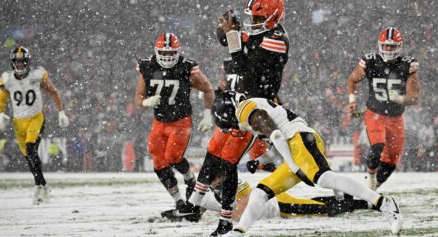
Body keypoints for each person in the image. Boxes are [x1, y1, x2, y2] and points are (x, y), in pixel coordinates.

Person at [211, 91, 402, 236]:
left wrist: (293, 166)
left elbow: (277, 135)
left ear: (229, 111)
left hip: (299, 139)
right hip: (294, 146)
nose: (229, 130)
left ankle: (383, 202)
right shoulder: (251, 107)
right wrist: (262, 161)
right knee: (260, 192)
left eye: (227, 124)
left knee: (324, 178)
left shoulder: (245, 110)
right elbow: (276, 139)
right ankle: (239, 231)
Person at [178, 1, 290, 235]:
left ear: (273, 18)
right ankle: (195, 203)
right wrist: (226, 28)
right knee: (214, 150)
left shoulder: (276, 40)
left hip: (256, 107)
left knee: (228, 165)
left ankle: (225, 220)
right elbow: (229, 40)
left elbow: (244, 69)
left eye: (259, 19)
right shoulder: (264, 33)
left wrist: (234, 39)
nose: (254, 23)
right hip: (240, 103)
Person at [135, 33, 214, 212]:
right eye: (164, 53)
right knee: (158, 162)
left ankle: (189, 179)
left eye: (171, 54)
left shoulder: (186, 67)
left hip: (180, 121)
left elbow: (208, 89)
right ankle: (178, 201)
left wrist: (207, 113)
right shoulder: (148, 66)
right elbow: (138, 96)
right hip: (159, 121)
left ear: (178, 52)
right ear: (156, 51)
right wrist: (145, 102)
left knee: (173, 157)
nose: (168, 57)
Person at [347, 27, 420, 190]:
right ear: (380, 45)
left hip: (396, 118)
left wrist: (400, 99)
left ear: (399, 46)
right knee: (377, 147)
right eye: (385, 45)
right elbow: (352, 79)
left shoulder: (407, 64)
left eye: (392, 46)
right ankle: (370, 179)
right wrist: (352, 100)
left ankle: (371, 190)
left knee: (391, 162)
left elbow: (414, 98)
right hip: (375, 114)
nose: (388, 49)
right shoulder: (371, 60)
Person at [0, 46, 70, 204]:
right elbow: (1, 98)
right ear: (12, 62)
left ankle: (38, 187)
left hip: (36, 118)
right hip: (18, 122)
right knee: (28, 157)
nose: (20, 64)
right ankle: (43, 185)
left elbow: (53, 91)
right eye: (18, 62)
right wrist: (0, 112)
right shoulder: (7, 78)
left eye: (23, 62)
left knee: (30, 148)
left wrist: (61, 111)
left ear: (28, 61)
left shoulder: (37, 75)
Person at [162, 176, 370, 222]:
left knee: (324, 210)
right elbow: (198, 210)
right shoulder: (205, 194)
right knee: (317, 205)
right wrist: (182, 215)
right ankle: (353, 199)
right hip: (277, 204)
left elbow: (241, 212)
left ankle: (361, 202)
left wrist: (223, 215)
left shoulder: (235, 181)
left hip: (279, 206)